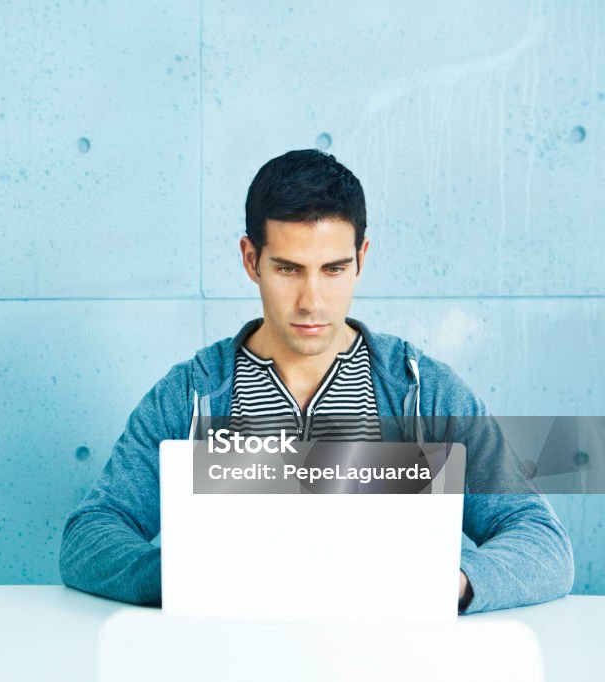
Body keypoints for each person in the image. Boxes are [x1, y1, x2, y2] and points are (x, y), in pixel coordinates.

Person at [59, 149, 574, 613]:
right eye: (288, 270)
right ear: (250, 260)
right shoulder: (190, 396)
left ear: (361, 260)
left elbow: (542, 541)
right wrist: (192, 577)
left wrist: (453, 583)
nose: (312, 301)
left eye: (333, 269)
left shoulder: (424, 393)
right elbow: (89, 537)